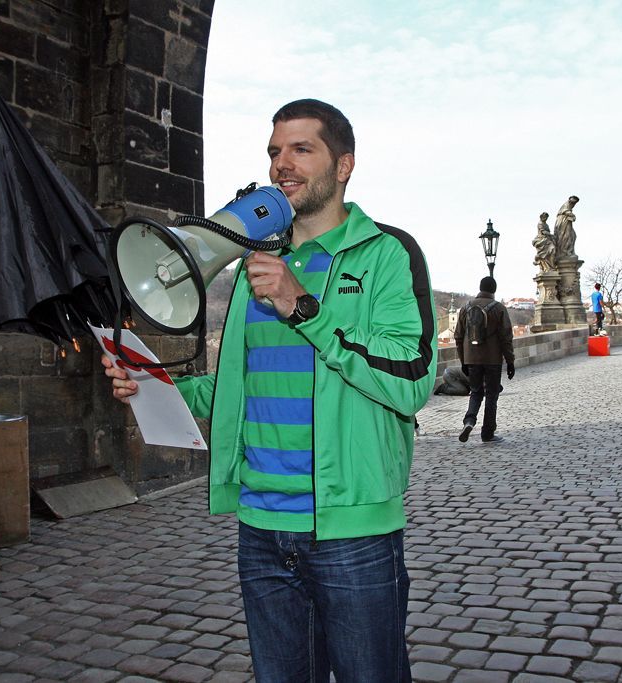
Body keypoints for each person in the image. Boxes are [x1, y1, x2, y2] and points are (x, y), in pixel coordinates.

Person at [104, 99, 437, 682]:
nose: (283, 163)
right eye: (274, 151)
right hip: (260, 528)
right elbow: (238, 384)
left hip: (351, 531)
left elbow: (410, 379)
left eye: (302, 149)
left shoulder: (387, 252)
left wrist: (301, 305)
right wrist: (155, 388)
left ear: (344, 165)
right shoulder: (254, 264)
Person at [455, 276, 515, 443]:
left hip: (471, 358)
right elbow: (506, 338)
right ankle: (487, 433)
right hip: (492, 359)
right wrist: (510, 361)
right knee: (491, 395)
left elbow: (458, 337)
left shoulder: (466, 308)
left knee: (475, 392)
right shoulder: (499, 308)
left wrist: (463, 360)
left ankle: (469, 421)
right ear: (494, 290)